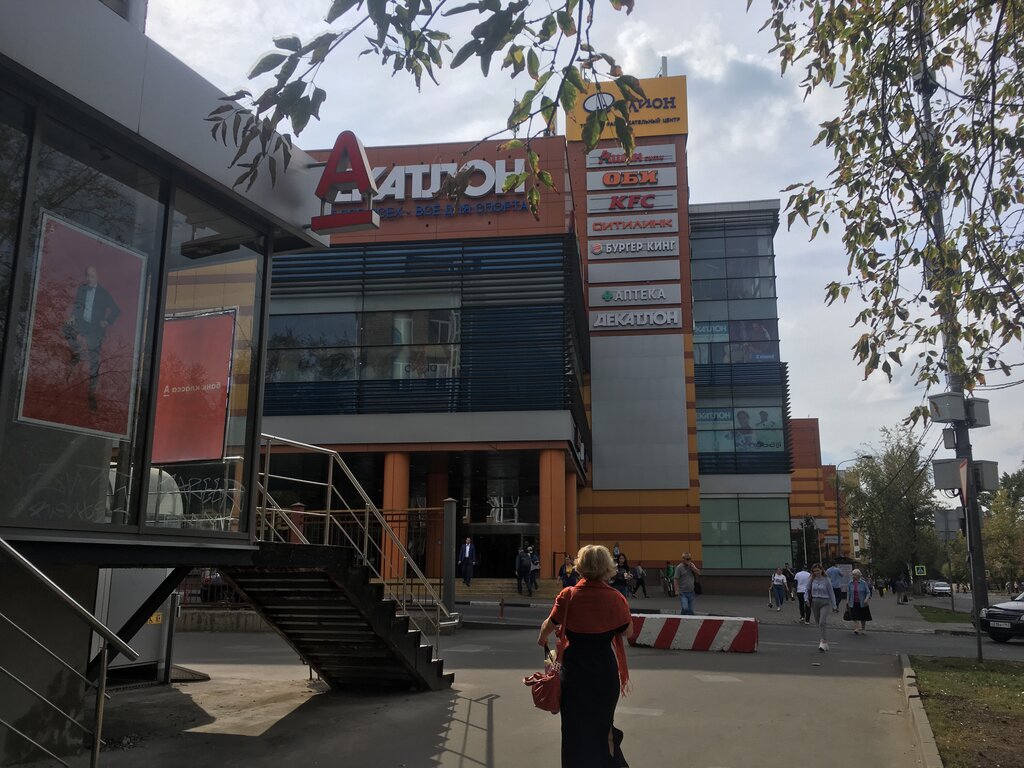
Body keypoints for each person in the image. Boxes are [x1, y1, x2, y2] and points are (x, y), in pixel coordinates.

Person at [537, 545, 633, 768]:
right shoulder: (615, 598)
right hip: (604, 673)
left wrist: (542, 640)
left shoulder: (568, 595)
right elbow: (627, 632)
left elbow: (548, 626)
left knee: (574, 729)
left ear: (580, 566)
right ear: (607, 567)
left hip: (574, 674)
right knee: (603, 727)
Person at [63, 264, 120, 411]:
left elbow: (116, 310)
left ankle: (91, 394)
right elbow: (77, 306)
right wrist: (72, 318)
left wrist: (106, 321)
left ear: (97, 277)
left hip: (95, 328)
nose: (89, 278)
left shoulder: (103, 293)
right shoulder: (82, 289)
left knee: (94, 362)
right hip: (82, 324)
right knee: (65, 327)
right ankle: (77, 352)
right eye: (87, 275)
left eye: (92, 276)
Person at [807, 562, 838, 651]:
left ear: (821, 570)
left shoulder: (826, 579)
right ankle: (824, 640)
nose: (816, 572)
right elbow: (807, 589)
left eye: (818, 570)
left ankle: (822, 641)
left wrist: (834, 605)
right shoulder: (811, 579)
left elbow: (831, 592)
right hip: (815, 602)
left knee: (822, 622)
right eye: (814, 571)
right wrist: (806, 599)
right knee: (818, 623)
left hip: (825, 602)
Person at [847, 569, 873, 634]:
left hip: (862, 602)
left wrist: (866, 599)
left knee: (863, 617)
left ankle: (863, 628)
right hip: (853, 602)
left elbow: (868, 592)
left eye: (855, 575)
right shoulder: (850, 583)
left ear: (858, 575)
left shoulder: (863, 583)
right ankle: (856, 628)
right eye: (853, 575)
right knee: (854, 616)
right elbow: (848, 592)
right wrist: (847, 601)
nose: (853, 576)